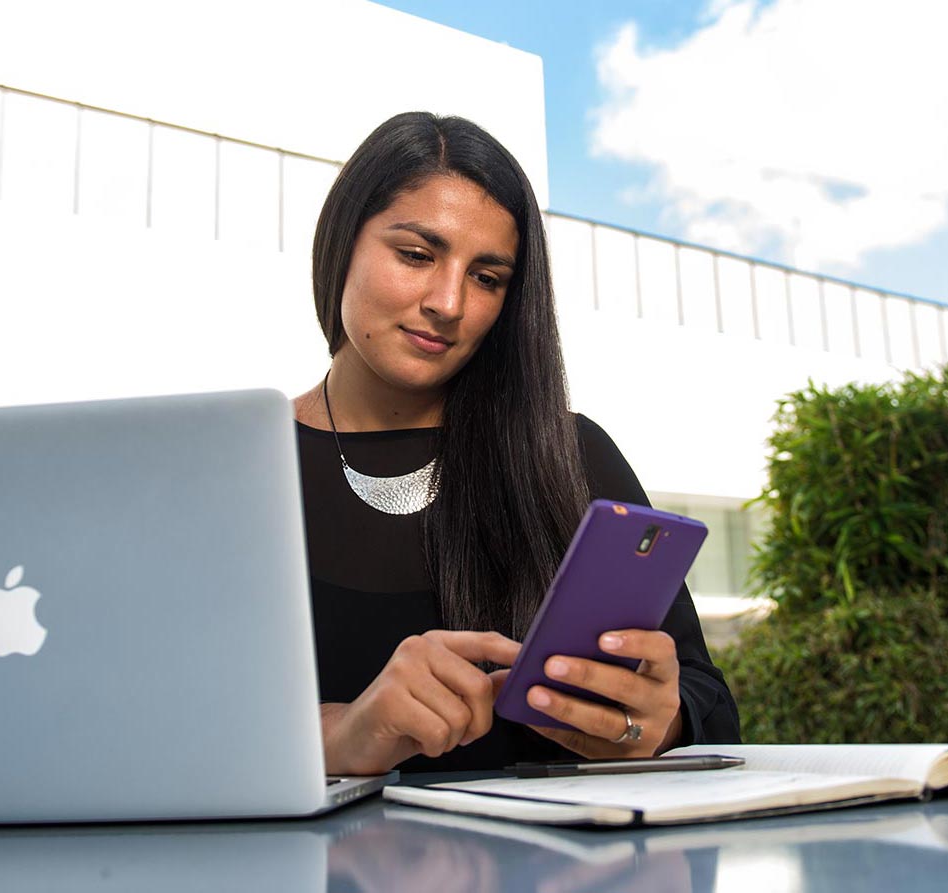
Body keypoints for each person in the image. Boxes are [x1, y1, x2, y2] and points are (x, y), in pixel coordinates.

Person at [289, 112, 740, 774]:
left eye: (487, 277)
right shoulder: (238, 466)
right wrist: (340, 735)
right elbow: (164, 722)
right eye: (416, 254)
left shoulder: (568, 453)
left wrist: (658, 720)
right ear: (341, 245)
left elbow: (707, 702)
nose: (449, 302)